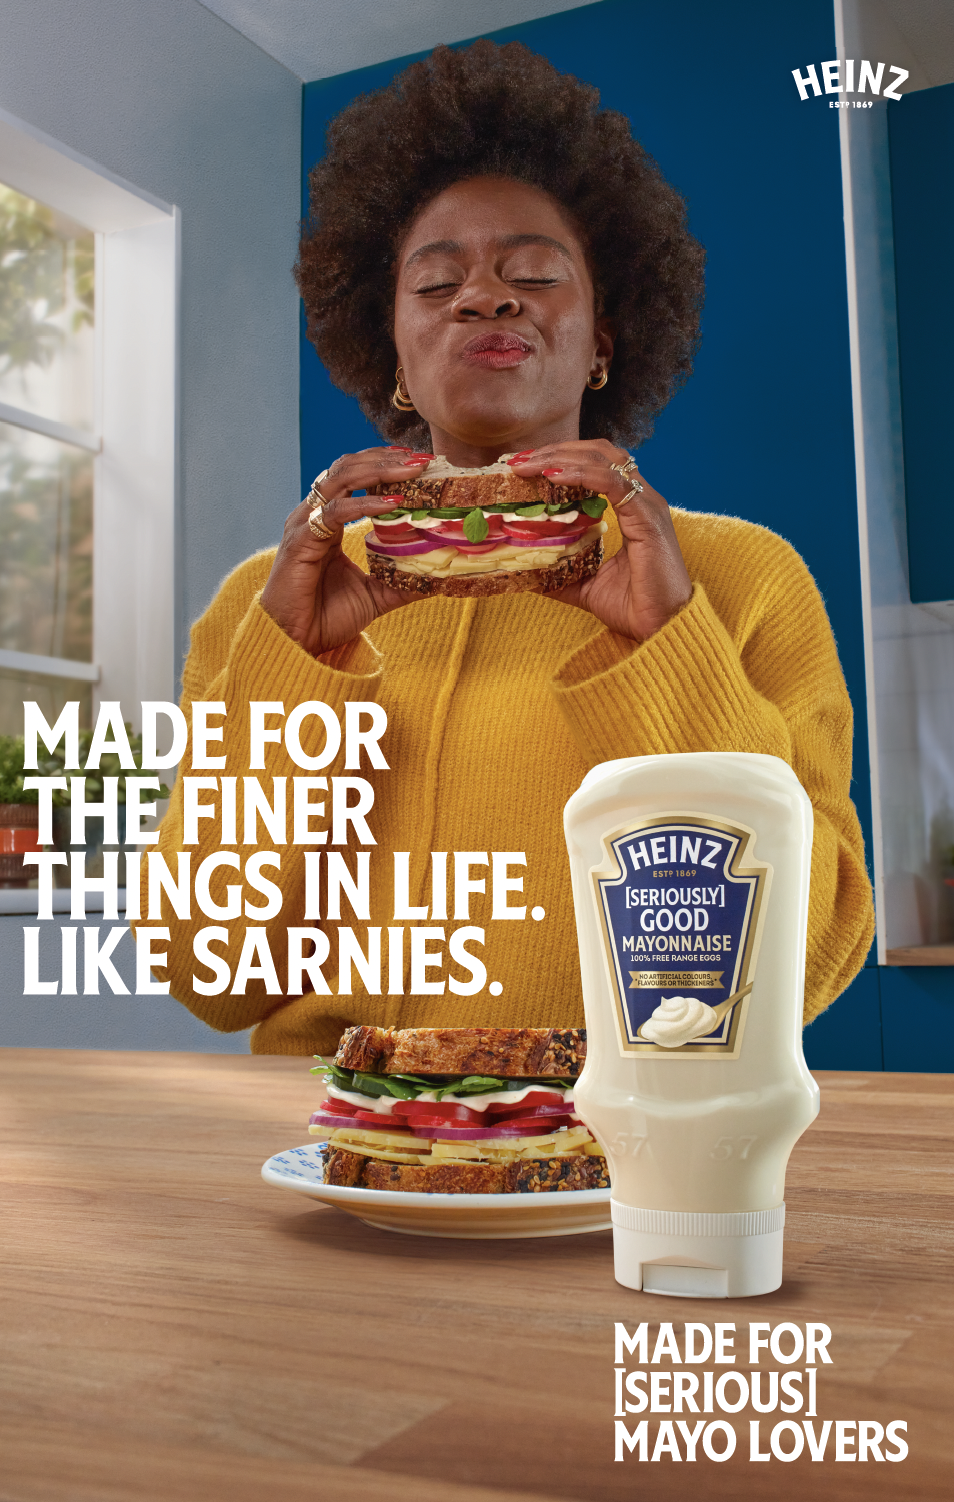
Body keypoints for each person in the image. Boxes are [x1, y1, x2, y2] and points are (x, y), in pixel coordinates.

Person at [146, 41, 874, 1053]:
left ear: (604, 334)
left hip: (621, 1165)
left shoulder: (740, 578)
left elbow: (803, 963)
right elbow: (204, 970)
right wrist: (289, 671)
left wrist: (668, 644)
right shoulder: (265, 604)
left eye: (533, 273)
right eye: (434, 285)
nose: (485, 297)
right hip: (329, 1151)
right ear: (391, 346)